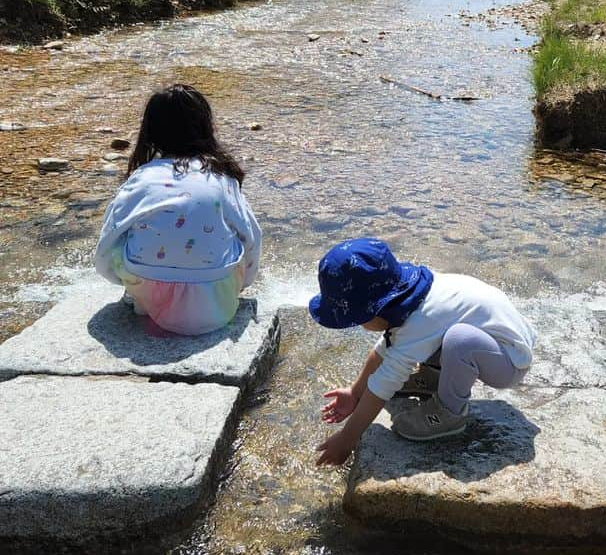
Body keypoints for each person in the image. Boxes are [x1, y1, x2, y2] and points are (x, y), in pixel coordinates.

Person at [310, 238, 536, 465]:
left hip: (509, 360)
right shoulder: (410, 298)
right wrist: (355, 393)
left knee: (459, 340)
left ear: (376, 310)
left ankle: (450, 414)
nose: (359, 325)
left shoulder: (421, 319)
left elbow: (384, 384)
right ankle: (434, 379)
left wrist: (347, 438)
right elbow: (384, 350)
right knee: (439, 336)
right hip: (492, 339)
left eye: (357, 320)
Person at [94, 84, 261, 336]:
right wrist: (240, 283)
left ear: (150, 132)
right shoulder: (220, 177)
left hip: (150, 296)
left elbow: (106, 245)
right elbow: (252, 238)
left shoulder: (142, 178)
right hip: (217, 304)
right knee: (233, 235)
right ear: (206, 126)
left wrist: (126, 281)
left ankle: (141, 297)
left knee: (124, 235)